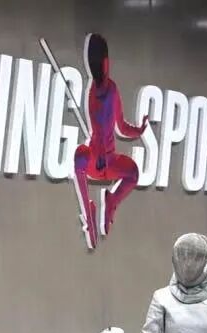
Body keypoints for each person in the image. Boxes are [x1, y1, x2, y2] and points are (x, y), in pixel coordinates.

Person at [73, 33, 148, 250]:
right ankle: (89, 217)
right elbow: (98, 129)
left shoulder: (112, 89)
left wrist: (138, 130)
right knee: (80, 155)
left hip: (110, 160)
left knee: (133, 172)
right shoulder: (93, 94)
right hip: (95, 161)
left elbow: (121, 126)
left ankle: (111, 201)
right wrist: (97, 155)